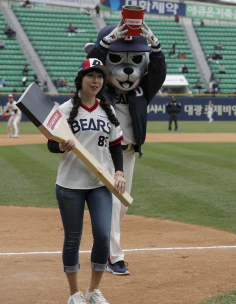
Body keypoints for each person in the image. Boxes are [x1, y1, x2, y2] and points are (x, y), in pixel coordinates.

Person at [85, 21, 166, 276]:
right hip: (105, 152)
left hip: (129, 152)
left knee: (122, 205)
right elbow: (90, 68)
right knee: (114, 204)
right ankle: (113, 257)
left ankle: (105, 246)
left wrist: (155, 45)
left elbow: (158, 73)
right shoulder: (100, 90)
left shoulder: (141, 92)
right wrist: (105, 44)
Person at [47, 58, 125, 304]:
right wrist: (61, 146)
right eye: (91, 76)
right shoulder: (64, 109)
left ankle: (93, 290)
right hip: (70, 184)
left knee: (103, 235)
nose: (96, 81)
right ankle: (74, 294)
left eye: (100, 76)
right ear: (80, 79)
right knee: (73, 238)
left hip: (100, 183)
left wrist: (119, 173)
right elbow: (51, 144)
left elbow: (116, 147)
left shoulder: (108, 109)